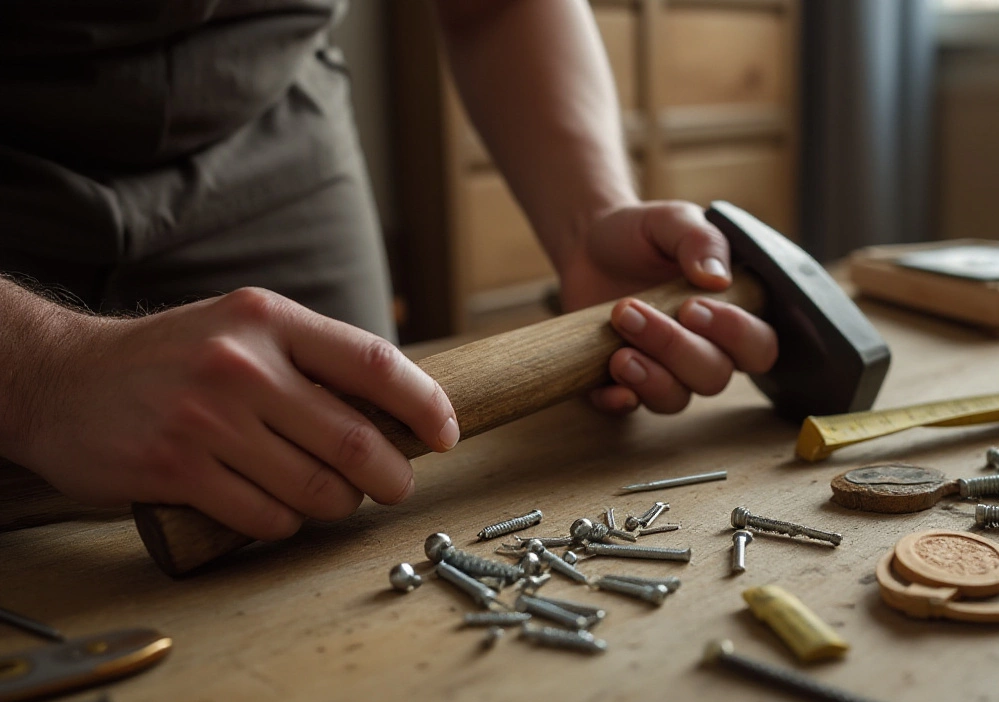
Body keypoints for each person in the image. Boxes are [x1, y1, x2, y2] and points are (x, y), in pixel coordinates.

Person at [0, 1, 778, 541]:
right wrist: (39, 373)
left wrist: (586, 219)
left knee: (351, 496)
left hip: (267, 122)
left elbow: (491, 6)